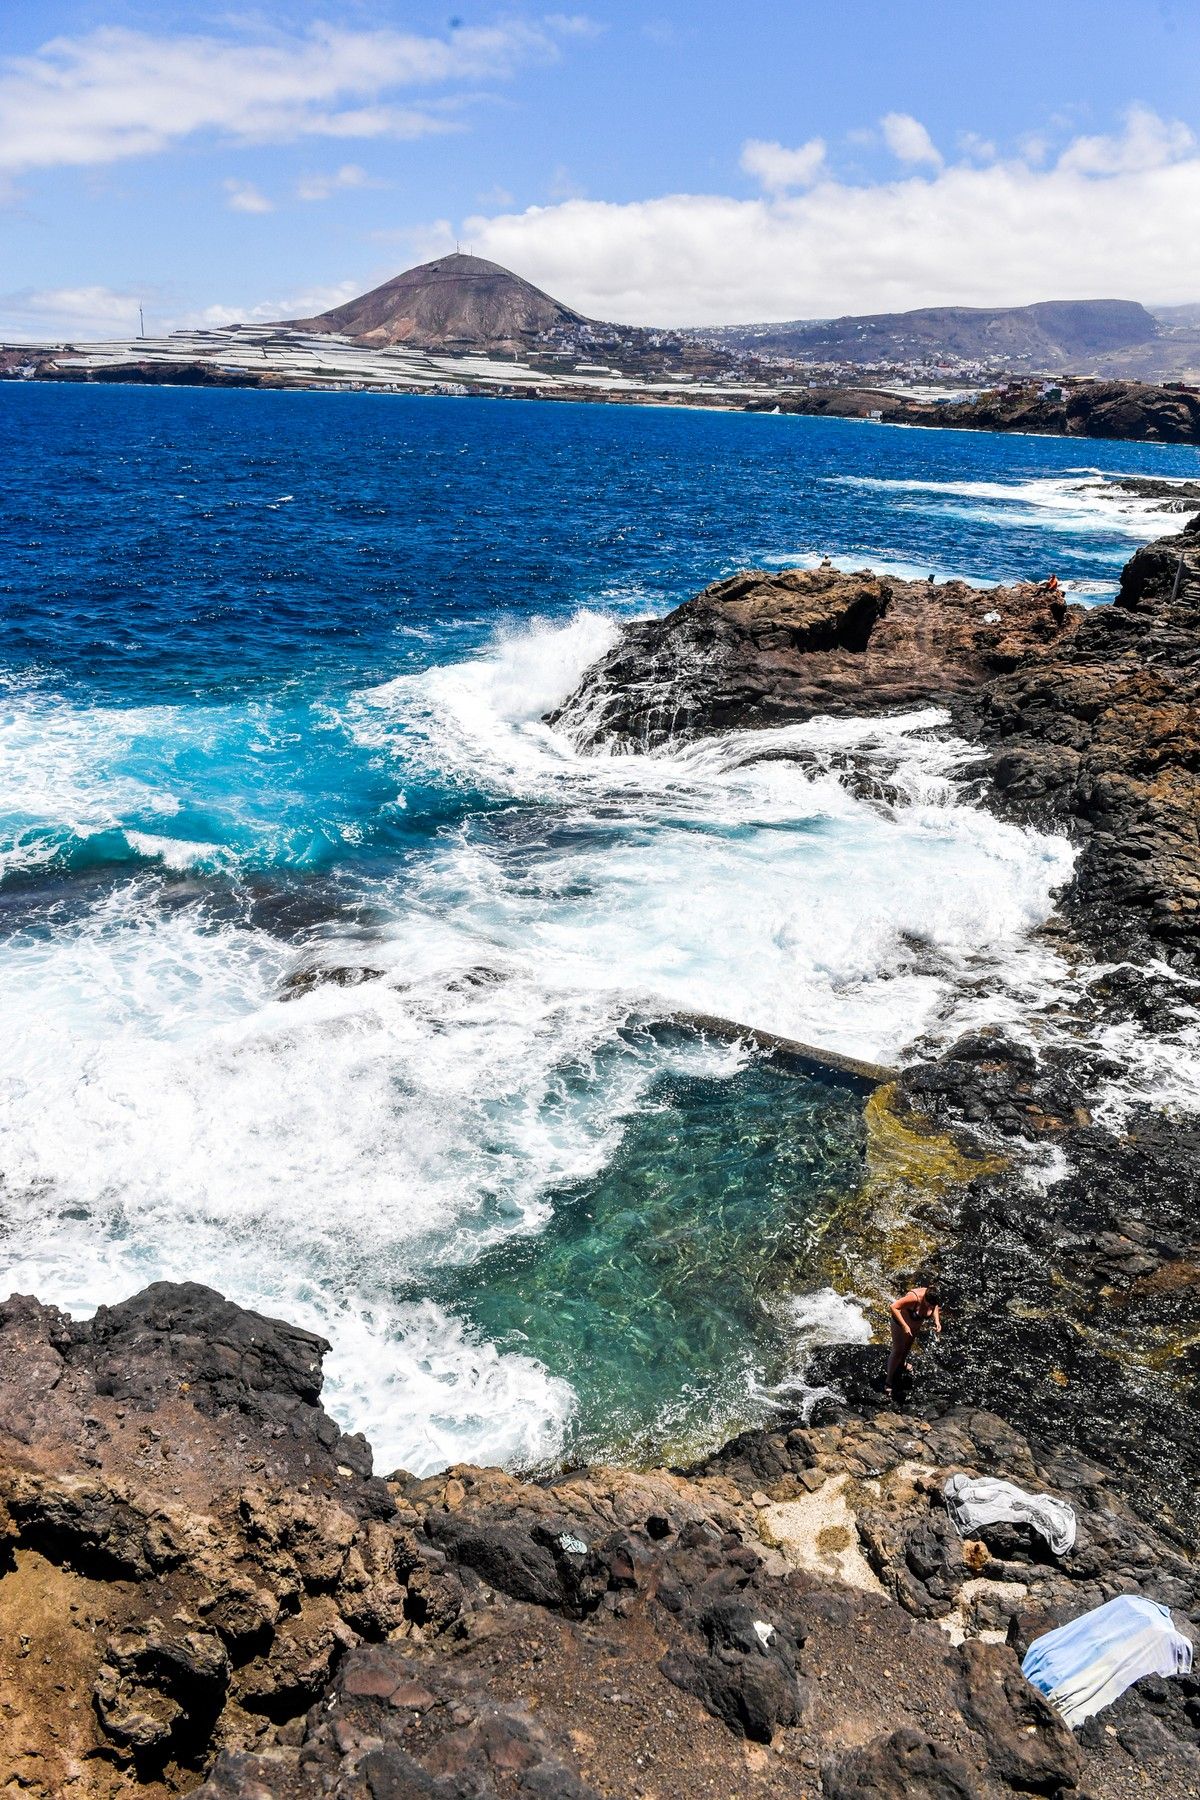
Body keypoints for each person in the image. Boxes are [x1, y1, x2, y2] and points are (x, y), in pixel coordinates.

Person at [884, 1281, 942, 1396]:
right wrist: (904, 1325)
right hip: (900, 1324)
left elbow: (935, 1307)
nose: (931, 1307)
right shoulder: (914, 1298)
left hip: (915, 1325)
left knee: (907, 1347)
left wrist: (937, 1321)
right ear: (925, 1298)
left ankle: (901, 1363)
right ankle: (888, 1381)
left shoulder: (932, 1299)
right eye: (929, 1304)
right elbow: (893, 1307)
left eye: (932, 1305)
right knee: (898, 1350)